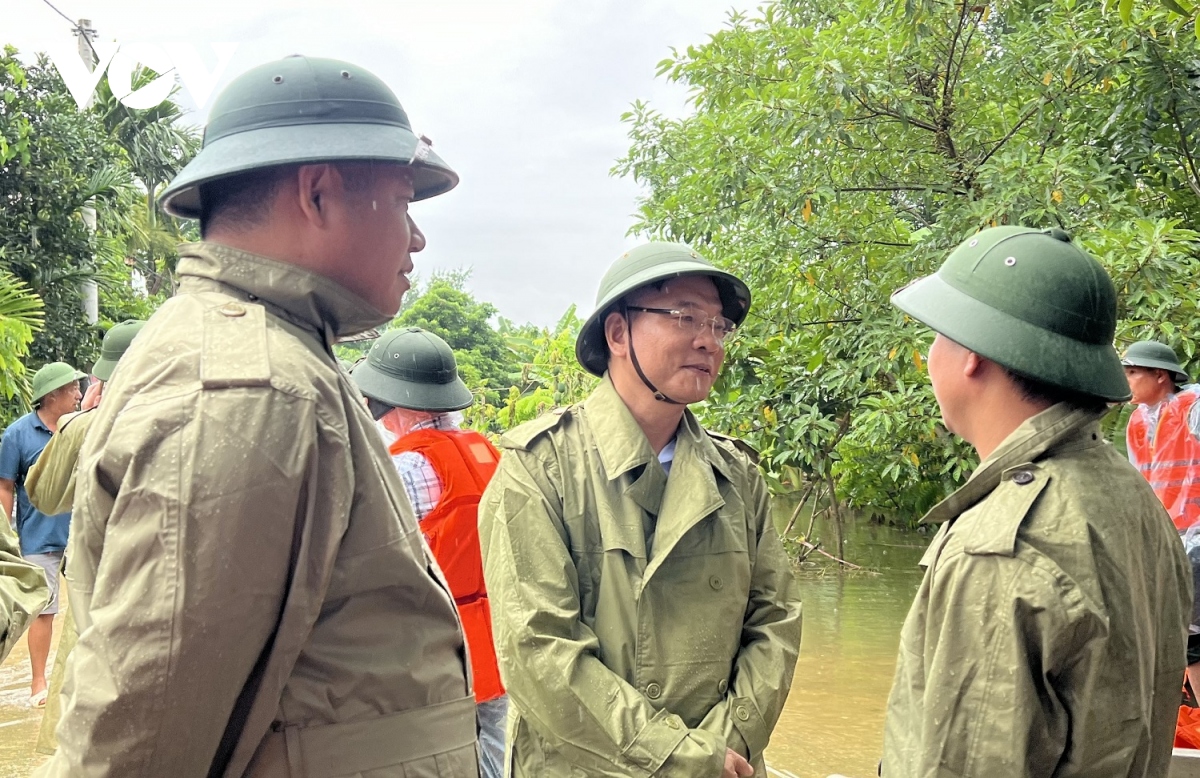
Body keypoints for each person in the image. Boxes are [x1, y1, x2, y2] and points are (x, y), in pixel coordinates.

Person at [38, 56, 478, 777]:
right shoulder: (249, 387)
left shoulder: (278, 359)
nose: (417, 238)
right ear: (317, 193)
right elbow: (142, 727)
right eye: (403, 201)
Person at [479, 242, 803, 778]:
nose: (709, 340)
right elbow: (539, 652)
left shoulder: (738, 475)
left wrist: (726, 747)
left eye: (720, 325)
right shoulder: (540, 469)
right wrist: (677, 758)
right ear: (618, 334)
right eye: (684, 317)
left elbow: (776, 621)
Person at [882, 226, 1192, 777]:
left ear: (973, 355)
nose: (929, 355)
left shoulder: (1000, 545)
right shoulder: (1132, 497)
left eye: (936, 335)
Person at [351, 327, 507, 778]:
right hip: (495, 639)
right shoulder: (486, 453)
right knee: (493, 753)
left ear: (388, 401)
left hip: (432, 646)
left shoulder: (404, 469)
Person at [24, 319, 145, 755]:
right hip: (166, 586)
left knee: (83, 708)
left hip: (96, 583)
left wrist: (75, 425)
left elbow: (44, 495)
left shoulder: (88, 426)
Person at [0, 360, 84, 707]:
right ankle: (38, 684)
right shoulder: (17, 435)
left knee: (83, 609)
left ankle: (79, 682)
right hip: (38, 536)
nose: (79, 394)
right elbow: (5, 486)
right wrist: (4, 536)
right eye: (72, 389)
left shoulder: (80, 428)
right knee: (44, 610)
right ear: (52, 396)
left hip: (81, 536)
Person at [1122, 340, 1200, 531]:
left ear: (1159, 375)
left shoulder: (1194, 409)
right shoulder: (1138, 421)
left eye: (1132, 373)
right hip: (1163, 532)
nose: (1125, 380)